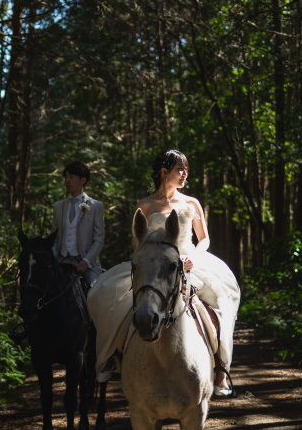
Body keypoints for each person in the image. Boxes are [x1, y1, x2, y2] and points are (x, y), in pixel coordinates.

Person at [87, 150, 241, 397]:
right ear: (164, 172)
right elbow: (136, 243)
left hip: (190, 260)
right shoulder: (145, 204)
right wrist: (154, 259)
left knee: (220, 296)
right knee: (105, 292)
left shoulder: (192, 203)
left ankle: (220, 366)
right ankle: (110, 355)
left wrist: (191, 258)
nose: (185, 173)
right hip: (153, 262)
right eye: (180, 168)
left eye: (186, 169)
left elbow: (204, 239)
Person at [50, 161, 105, 287]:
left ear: (83, 180)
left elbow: (99, 239)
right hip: (60, 261)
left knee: (95, 292)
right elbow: (54, 238)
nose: (67, 181)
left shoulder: (96, 206)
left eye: (72, 177)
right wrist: (52, 258)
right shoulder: (58, 206)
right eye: (66, 177)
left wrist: (86, 261)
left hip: (85, 264)